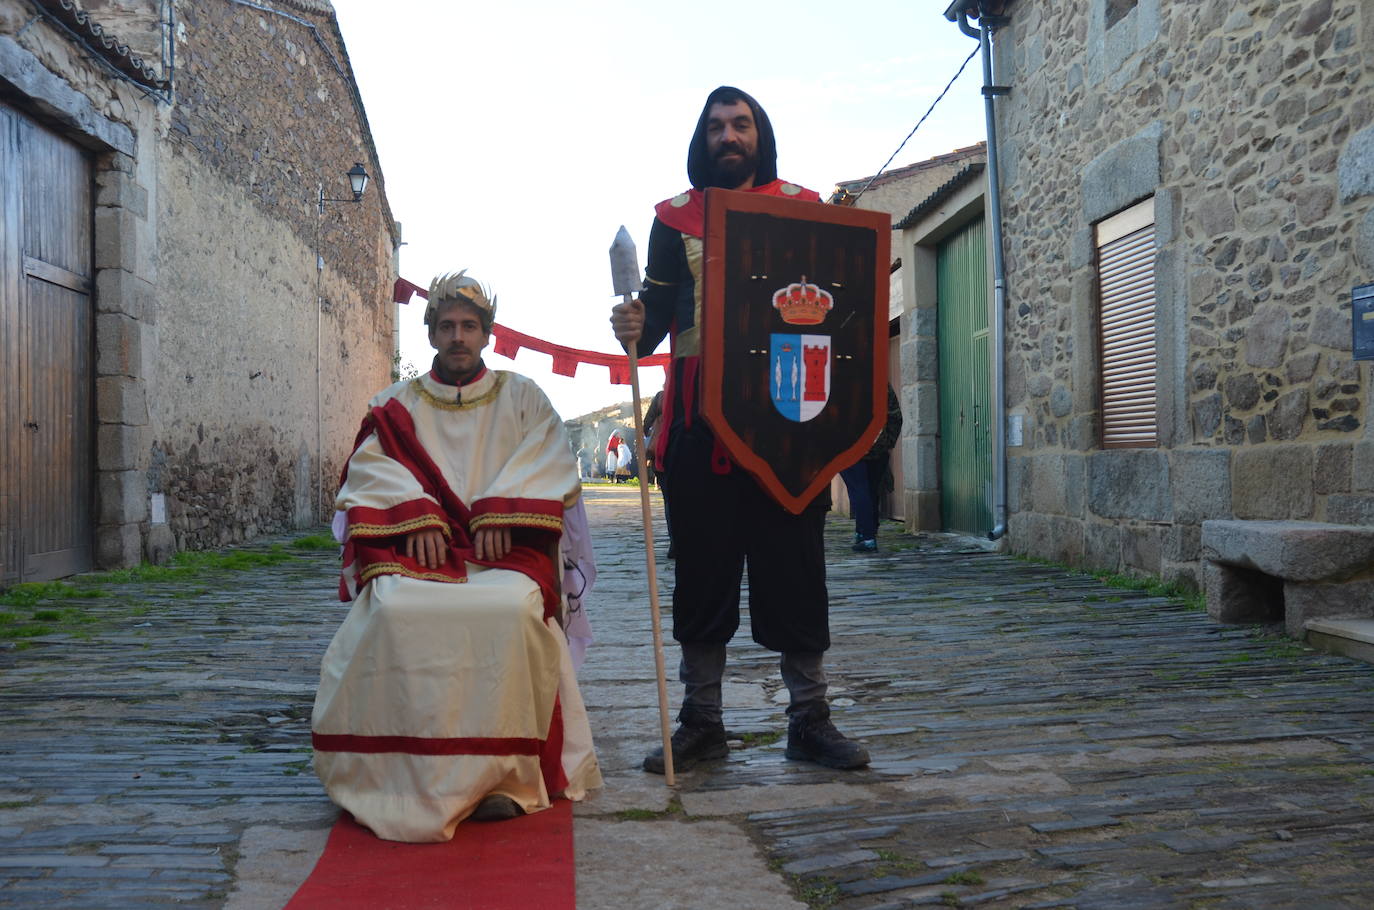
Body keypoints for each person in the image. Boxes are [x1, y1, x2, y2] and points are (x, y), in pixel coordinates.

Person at [609, 86, 869, 773]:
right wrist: (634, 326)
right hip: (700, 423)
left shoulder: (803, 210)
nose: (730, 135)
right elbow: (658, 319)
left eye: (742, 123)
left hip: (788, 416)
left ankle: (810, 719)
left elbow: (843, 310)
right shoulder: (675, 220)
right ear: (703, 139)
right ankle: (704, 721)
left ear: (760, 134)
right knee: (703, 570)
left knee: (796, 566)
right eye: (718, 125)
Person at [311, 270, 601, 842]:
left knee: (512, 611)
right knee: (393, 608)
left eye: (469, 326)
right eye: (447, 326)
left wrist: (500, 513)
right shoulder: (394, 404)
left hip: (506, 555)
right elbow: (370, 466)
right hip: (424, 553)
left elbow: (549, 455)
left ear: (487, 334)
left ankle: (500, 778)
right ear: (431, 334)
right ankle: (396, 769)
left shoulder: (524, 398)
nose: (459, 336)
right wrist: (415, 509)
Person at [840, 385, 903, 552]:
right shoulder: (881, 382)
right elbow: (895, 416)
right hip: (878, 447)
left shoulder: (841, 380)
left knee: (859, 490)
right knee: (871, 490)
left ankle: (867, 537)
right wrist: (888, 442)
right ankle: (865, 531)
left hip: (849, 446)